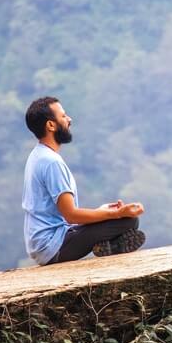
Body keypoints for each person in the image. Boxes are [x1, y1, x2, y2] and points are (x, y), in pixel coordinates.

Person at [22, 96, 146, 265]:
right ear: (51, 125)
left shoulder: (37, 155)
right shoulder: (52, 162)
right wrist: (117, 214)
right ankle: (112, 246)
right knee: (129, 221)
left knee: (119, 218)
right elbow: (71, 215)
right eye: (63, 116)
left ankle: (110, 246)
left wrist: (101, 212)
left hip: (46, 243)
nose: (69, 119)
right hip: (53, 246)